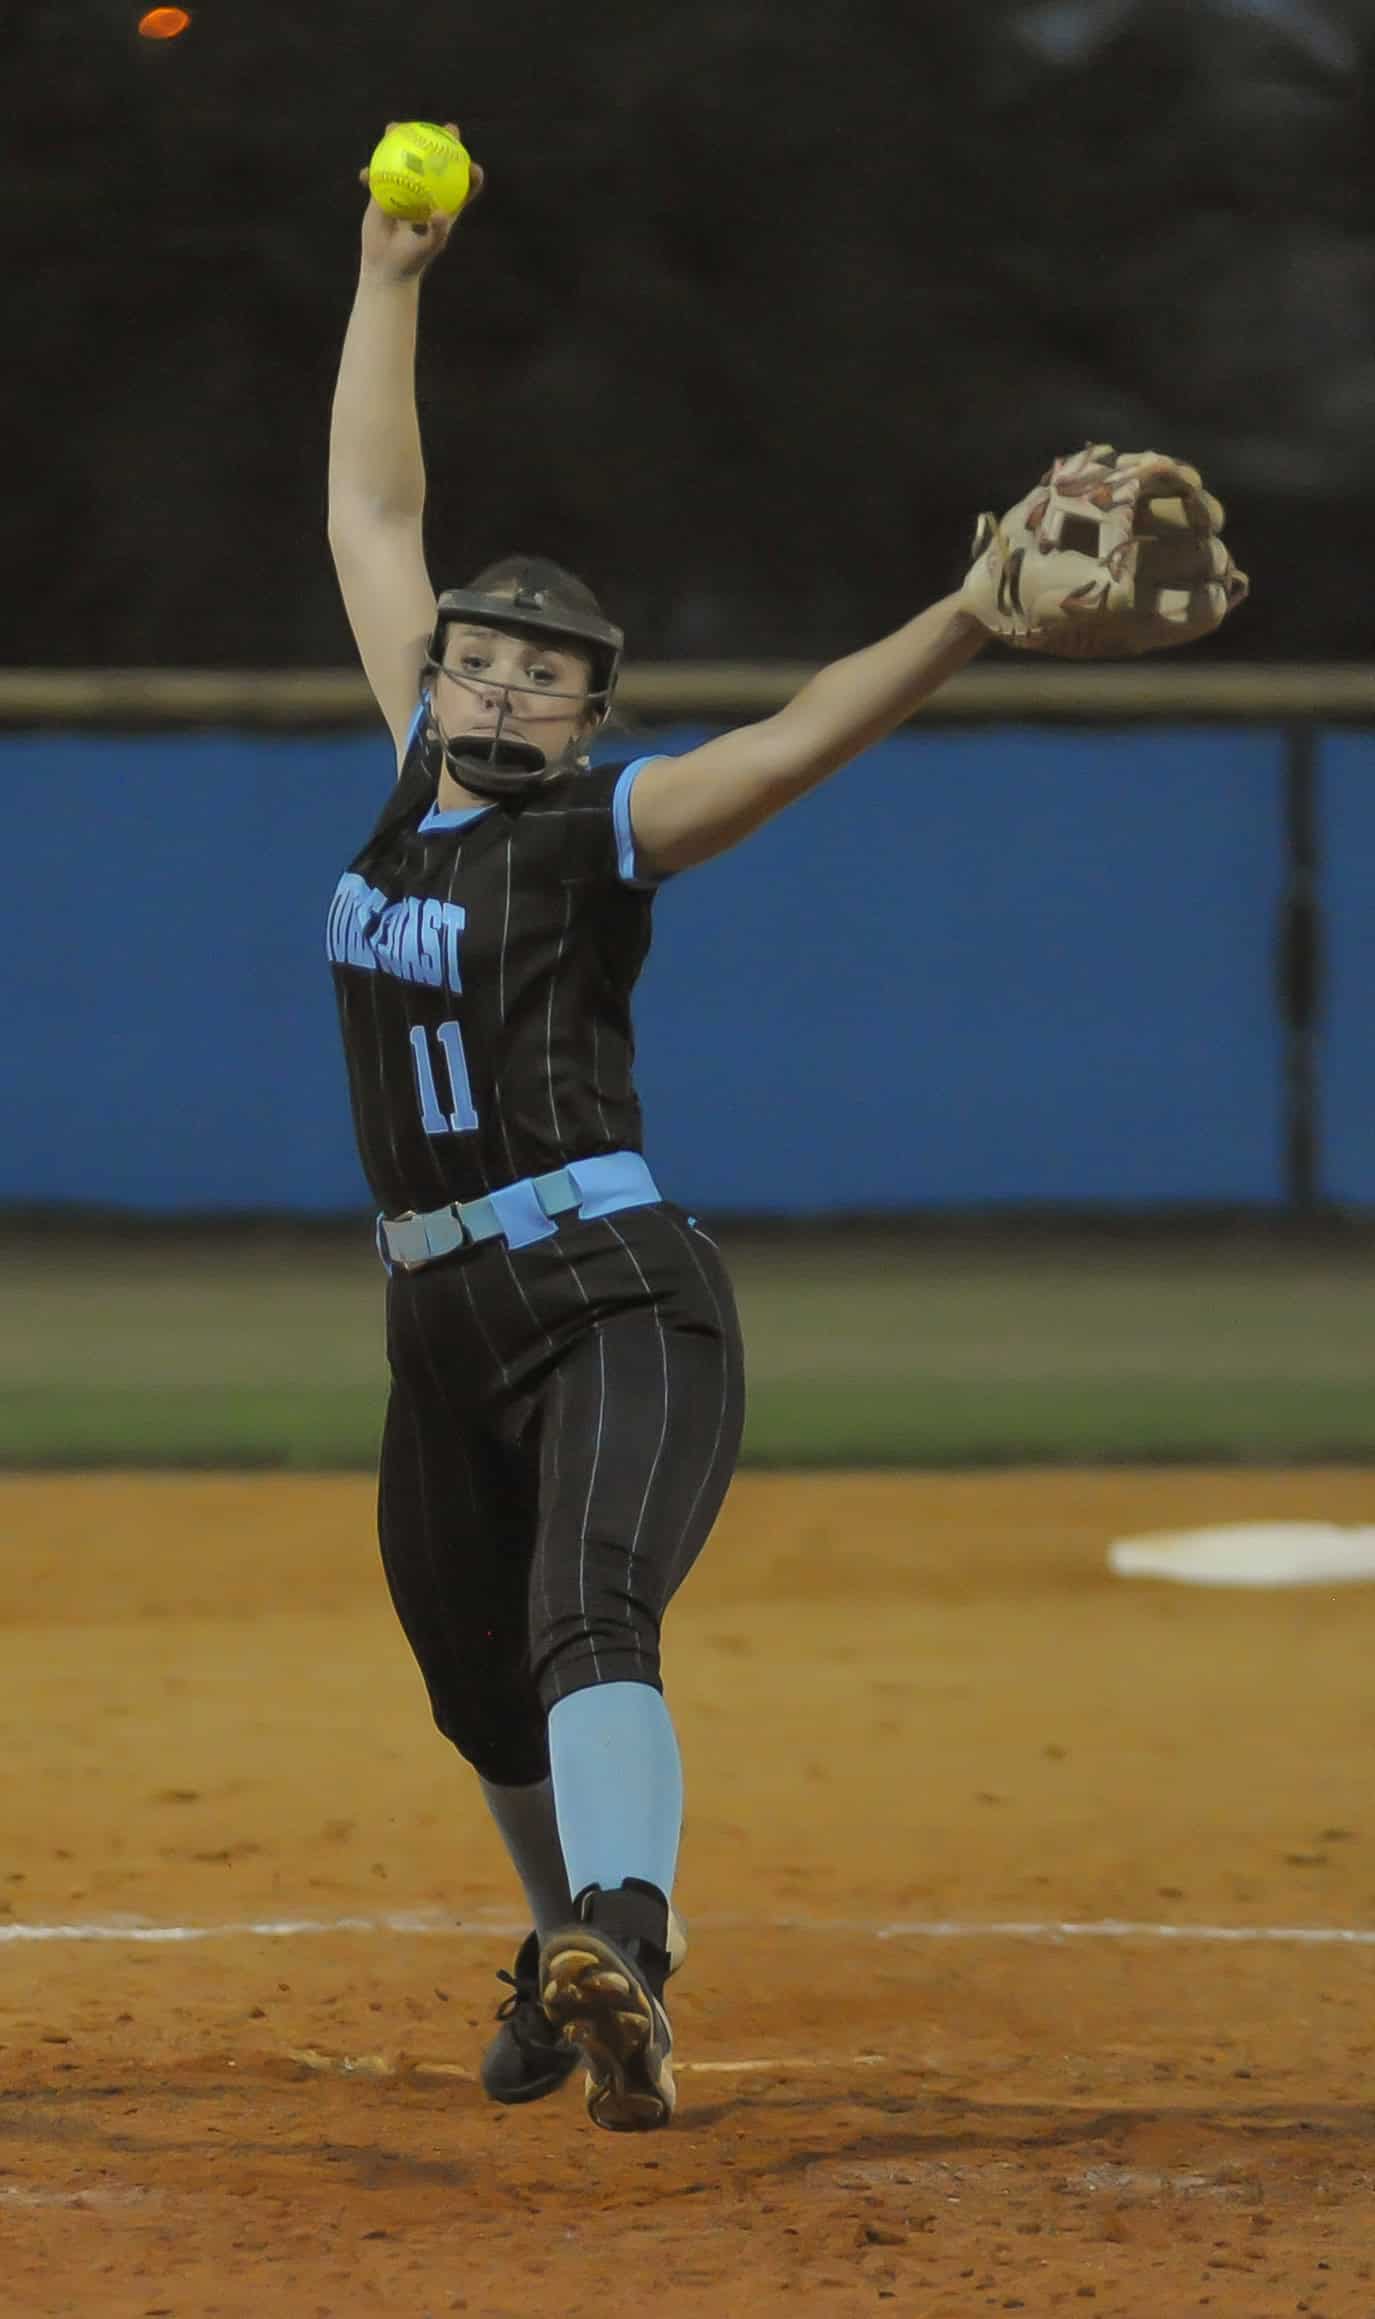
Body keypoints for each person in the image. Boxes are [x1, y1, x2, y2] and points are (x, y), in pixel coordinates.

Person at [326, 125, 990, 2136]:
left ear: (587, 722)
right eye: (484, 653)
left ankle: (630, 1912)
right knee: (472, 1683)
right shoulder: (407, 781)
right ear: (439, 673)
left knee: (584, 1607)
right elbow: (373, 505)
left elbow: (787, 743)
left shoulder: (592, 827)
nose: (508, 682)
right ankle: (573, 1953)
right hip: (433, 1317)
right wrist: (391, 275)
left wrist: (965, 612)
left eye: (552, 676)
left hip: (609, 1288)